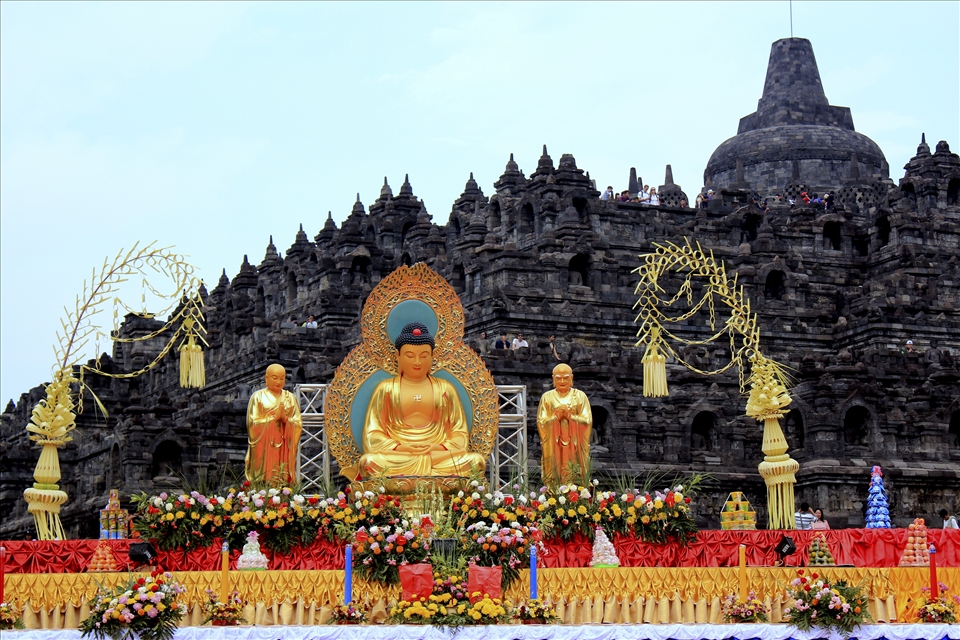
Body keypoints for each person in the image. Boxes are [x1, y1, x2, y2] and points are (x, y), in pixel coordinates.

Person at [357, 322, 486, 478]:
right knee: (369, 462)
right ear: (398, 355)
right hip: (401, 456)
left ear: (432, 356)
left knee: (476, 462)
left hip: (437, 455)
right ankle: (429, 473)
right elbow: (372, 435)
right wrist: (401, 448)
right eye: (410, 356)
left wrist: (438, 448)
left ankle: (416, 473)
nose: (417, 362)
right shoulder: (386, 389)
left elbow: (459, 434)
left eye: (424, 356)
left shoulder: (445, 389)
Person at [245, 364, 303, 484]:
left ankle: (284, 487)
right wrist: (273, 419)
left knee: (281, 475)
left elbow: (298, 423)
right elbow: (252, 423)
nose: (278, 382)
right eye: (275, 378)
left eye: (282, 378)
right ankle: (260, 486)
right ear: (266, 378)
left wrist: (285, 419)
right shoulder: (258, 397)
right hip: (264, 447)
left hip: (283, 447)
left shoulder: (290, 398)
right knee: (263, 477)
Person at [537, 363, 592, 484]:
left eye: (566, 378)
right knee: (555, 464)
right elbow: (541, 421)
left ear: (571, 378)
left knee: (575, 468)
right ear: (553, 379)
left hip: (574, 444)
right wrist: (556, 417)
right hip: (555, 444)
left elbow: (587, 420)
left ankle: (577, 486)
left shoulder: (580, 396)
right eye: (558, 378)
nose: (562, 381)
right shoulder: (547, 397)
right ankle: (554, 485)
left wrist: (570, 417)